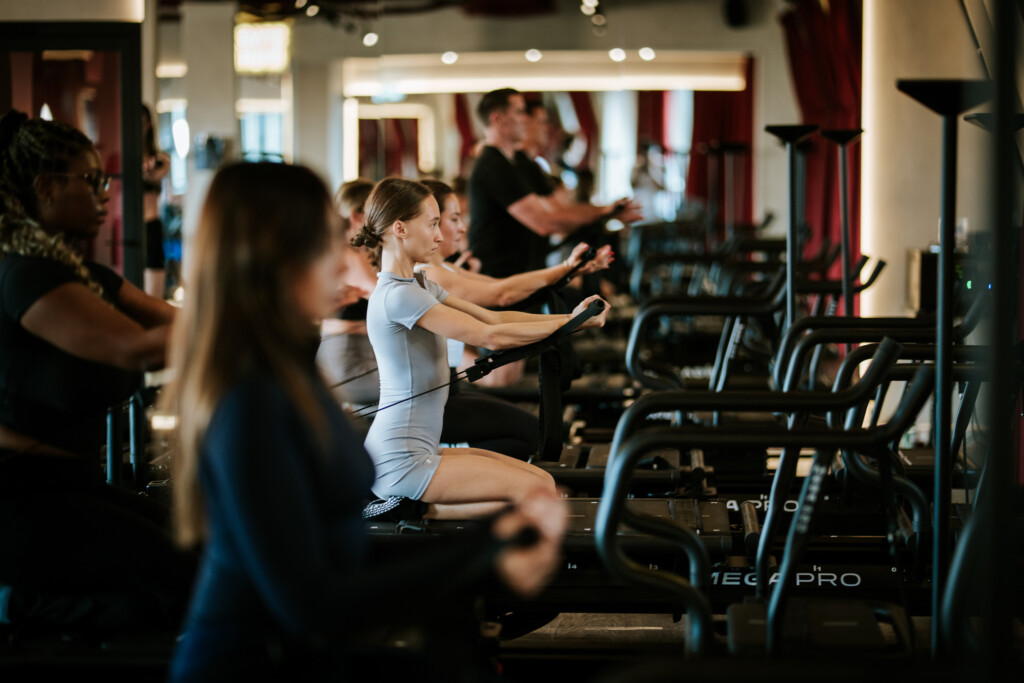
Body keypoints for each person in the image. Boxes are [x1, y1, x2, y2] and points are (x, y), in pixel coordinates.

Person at [164, 161, 567, 681]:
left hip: (299, 651)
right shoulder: (250, 403)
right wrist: (481, 555)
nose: (343, 262)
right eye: (327, 244)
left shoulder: (284, 373)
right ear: (277, 258)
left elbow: (334, 558)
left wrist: (485, 553)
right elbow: (310, 601)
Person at [0, 109, 191, 631]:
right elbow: (140, 350)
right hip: (22, 499)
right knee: (187, 576)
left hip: (72, 480)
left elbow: (181, 327)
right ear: (44, 187)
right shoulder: (25, 276)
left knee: (203, 547)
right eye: (91, 180)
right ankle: (19, 607)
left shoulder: (84, 276)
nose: (105, 191)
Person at [353, 177, 609, 519]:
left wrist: (573, 318)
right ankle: (406, 508)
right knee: (540, 494)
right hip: (401, 459)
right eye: (432, 224)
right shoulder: (398, 295)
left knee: (544, 484)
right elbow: (489, 337)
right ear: (399, 228)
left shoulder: (419, 283)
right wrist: (573, 323)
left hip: (417, 450)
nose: (440, 235)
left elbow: (493, 319)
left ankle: (414, 509)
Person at [467, 87, 642, 278]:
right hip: (498, 277)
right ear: (497, 119)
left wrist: (607, 213)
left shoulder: (515, 164)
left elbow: (558, 213)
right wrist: (603, 211)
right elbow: (545, 222)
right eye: (518, 112)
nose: (525, 118)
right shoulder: (493, 165)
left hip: (522, 272)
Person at [316, 179, 379, 407]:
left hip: (355, 357)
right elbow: (389, 300)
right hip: (349, 366)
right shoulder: (350, 257)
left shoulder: (357, 256)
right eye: (377, 215)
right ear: (357, 216)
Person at [142, 104, 170, 298]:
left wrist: (149, 171)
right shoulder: (122, 159)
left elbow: (155, 177)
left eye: (142, 122)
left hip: (151, 225)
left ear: (149, 124)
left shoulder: (160, 159)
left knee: (154, 292)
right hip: (129, 225)